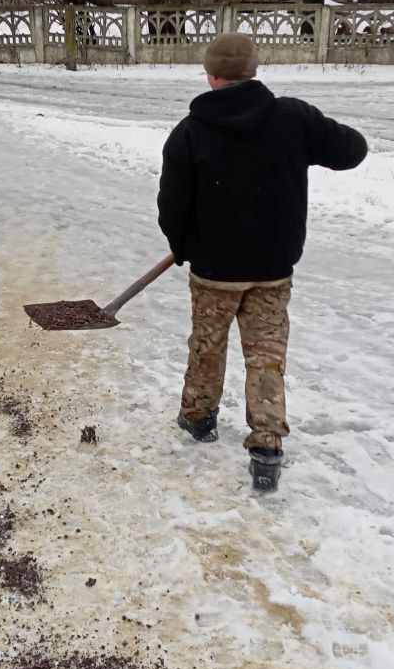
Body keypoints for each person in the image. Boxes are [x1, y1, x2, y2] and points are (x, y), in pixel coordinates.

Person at [157, 32, 368, 491]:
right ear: (253, 71)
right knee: (267, 357)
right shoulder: (292, 117)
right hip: (273, 269)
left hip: (213, 273)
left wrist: (183, 244)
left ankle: (198, 417)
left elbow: (172, 205)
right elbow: (352, 149)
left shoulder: (190, 132)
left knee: (207, 347)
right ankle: (267, 446)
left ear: (210, 75)